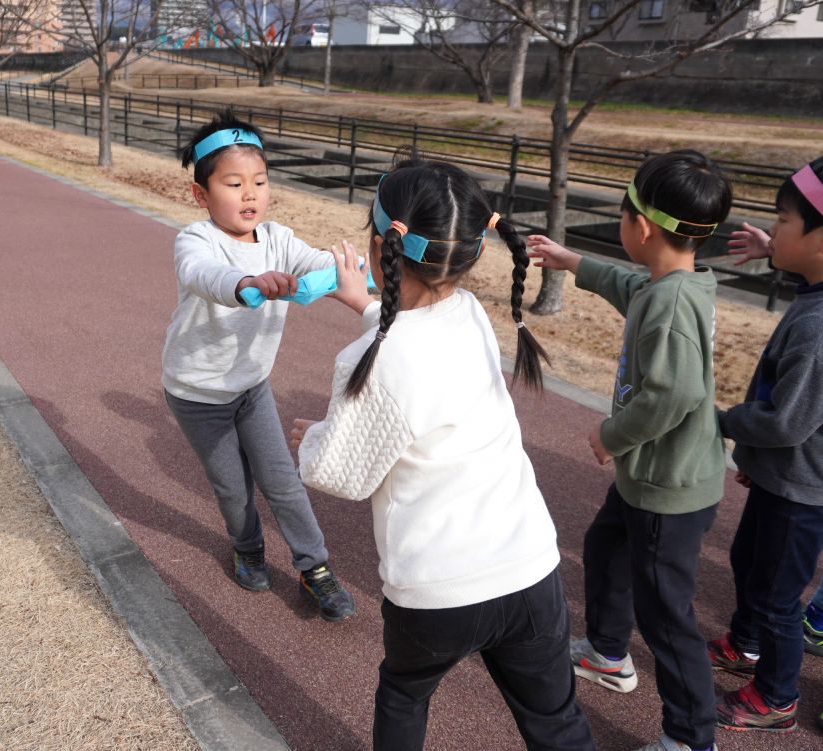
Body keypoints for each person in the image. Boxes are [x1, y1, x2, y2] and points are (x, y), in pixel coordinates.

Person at [293, 156, 595, 751]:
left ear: (382, 241)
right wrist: (365, 305)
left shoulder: (374, 360)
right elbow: (418, 344)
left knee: (404, 694)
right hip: (528, 565)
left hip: (437, 589)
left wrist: (314, 438)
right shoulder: (472, 314)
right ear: (473, 250)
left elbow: (338, 473)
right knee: (555, 720)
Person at [527, 149, 732, 751]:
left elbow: (675, 393)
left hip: (668, 487)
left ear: (639, 226)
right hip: (653, 478)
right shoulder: (678, 281)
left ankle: (691, 736)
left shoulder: (669, 305)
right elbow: (629, 284)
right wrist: (574, 262)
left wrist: (609, 435)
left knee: (667, 618)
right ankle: (609, 653)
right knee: (604, 547)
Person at [161, 108, 355, 622]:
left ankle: (314, 568)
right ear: (201, 195)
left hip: (251, 386)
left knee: (282, 481)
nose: (250, 194)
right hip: (198, 393)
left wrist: (362, 269)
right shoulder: (197, 240)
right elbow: (202, 275)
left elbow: (320, 265)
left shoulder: (278, 239)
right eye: (233, 183)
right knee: (232, 486)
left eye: (260, 181)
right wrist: (245, 285)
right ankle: (247, 547)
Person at [705, 157, 823, 734]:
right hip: (785, 476)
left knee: (778, 595)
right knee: (748, 562)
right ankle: (745, 643)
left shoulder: (818, 328)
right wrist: (774, 250)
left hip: (802, 490)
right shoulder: (815, 294)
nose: (771, 230)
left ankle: (777, 697)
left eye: (781, 221)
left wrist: (723, 421)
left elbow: (785, 423)